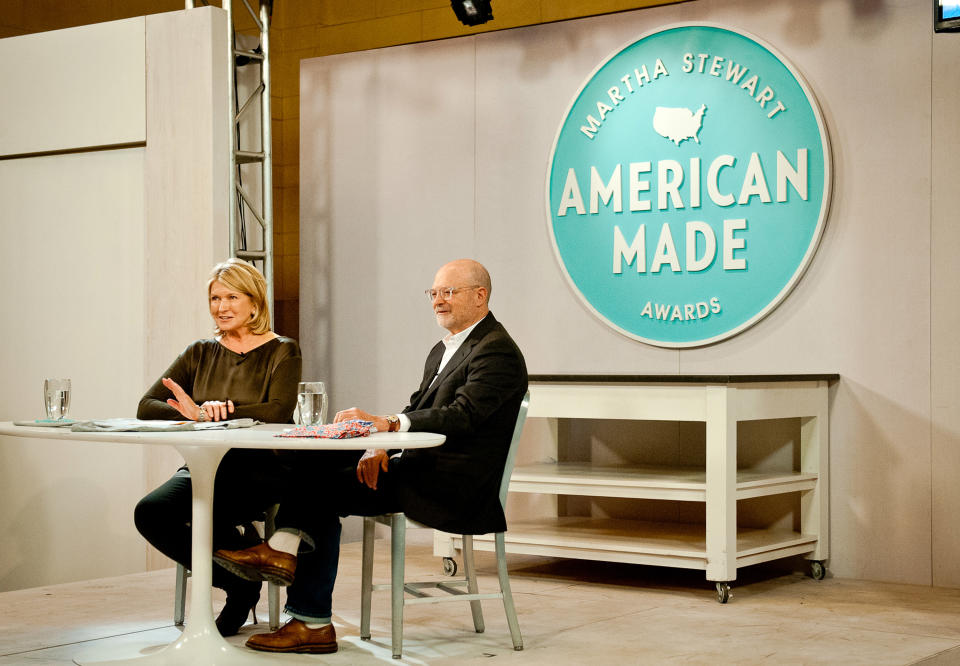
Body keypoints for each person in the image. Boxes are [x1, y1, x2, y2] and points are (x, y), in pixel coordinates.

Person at [214, 258, 528, 654]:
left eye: (448, 292)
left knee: (321, 484)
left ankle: (299, 590)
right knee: (318, 463)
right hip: (417, 469)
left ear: (480, 296)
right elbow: (419, 405)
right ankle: (292, 570)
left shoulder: (496, 351)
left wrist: (388, 426)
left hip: (451, 487)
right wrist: (380, 445)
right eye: (434, 293)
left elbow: (461, 416)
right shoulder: (444, 350)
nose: (437, 301)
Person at [133, 258, 301, 636]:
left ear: (254, 303)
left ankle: (245, 570)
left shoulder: (283, 350)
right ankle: (240, 584)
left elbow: (278, 409)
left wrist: (218, 414)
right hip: (204, 465)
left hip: (261, 470)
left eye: (232, 297)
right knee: (151, 512)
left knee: (208, 509)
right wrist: (191, 416)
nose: (221, 307)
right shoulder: (200, 351)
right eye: (214, 298)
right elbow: (147, 405)